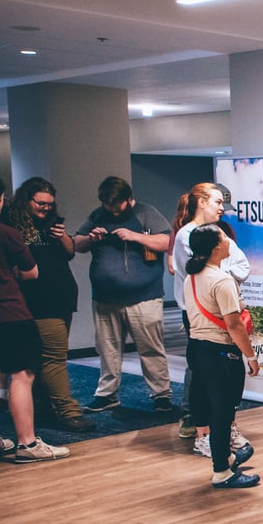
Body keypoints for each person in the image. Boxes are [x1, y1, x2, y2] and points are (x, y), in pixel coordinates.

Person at [0, 177, 93, 431]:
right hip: (35, 300)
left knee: (43, 357)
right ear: (26, 200)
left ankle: (41, 407)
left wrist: (62, 236)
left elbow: (70, 252)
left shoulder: (53, 223)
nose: (45, 208)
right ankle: (68, 411)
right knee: (53, 357)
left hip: (61, 295)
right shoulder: (9, 224)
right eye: (40, 203)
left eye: (50, 204)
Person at [73, 176, 173, 413]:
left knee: (150, 348)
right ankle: (107, 395)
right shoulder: (97, 215)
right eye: (108, 205)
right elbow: (76, 243)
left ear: (128, 199)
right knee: (107, 349)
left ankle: (161, 395)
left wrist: (135, 236)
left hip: (144, 297)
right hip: (105, 299)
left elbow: (167, 241)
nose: (113, 211)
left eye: (117, 205)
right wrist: (90, 238)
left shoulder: (145, 213)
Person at [0, 173, 71, 463]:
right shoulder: (5, 232)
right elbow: (31, 271)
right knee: (21, 376)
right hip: (8, 312)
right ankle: (27, 443)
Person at [172, 183, 253, 457]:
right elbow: (202, 269)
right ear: (202, 202)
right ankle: (203, 433)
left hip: (224, 309)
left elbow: (242, 266)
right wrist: (222, 272)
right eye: (218, 202)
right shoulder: (187, 235)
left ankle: (225, 431)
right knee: (205, 375)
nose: (222, 208)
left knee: (227, 381)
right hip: (202, 316)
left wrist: (221, 268)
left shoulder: (221, 235)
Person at [182, 224, 260, 488]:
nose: (229, 241)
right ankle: (222, 473)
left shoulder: (191, 276)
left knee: (211, 407)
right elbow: (234, 325)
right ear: (217, 247)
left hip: (197, 349)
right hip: (220, 353)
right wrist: (250, 356)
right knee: (223, 414)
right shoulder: (222, 280)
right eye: (224, 238)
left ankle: (224, 457)